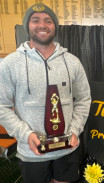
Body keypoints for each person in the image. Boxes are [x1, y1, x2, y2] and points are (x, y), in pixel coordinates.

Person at [0, 3, 91, 183]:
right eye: (36, 20)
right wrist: (26, 135)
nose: (42, 25)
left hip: (67, 149)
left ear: (55, 26)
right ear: (28, 26)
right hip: (32, 151)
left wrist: (74, 130)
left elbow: (83, 99)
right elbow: (1, 106)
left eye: (48, 21)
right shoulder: (10, 64)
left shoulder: (72, 62)